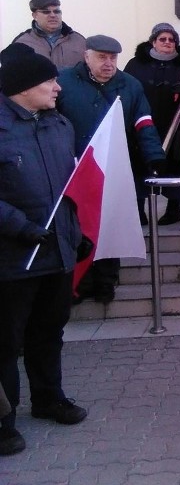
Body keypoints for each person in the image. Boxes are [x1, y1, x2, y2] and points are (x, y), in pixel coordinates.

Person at [0, 43, 87, 457]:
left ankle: (48, 398)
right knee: (4, 341)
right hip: (13, 257)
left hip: (56, 252)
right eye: (49, 80)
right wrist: (20, 227)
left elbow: (69, 188)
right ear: (21, 88)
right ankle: (2, 420)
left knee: (49, 331)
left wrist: (76, 232)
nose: (57, 87)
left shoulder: (59, 124)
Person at [57, 35, 166, 304]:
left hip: (114, 166)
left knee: (109, 224)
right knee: (80, 224)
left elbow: (144, 122)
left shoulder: (129, 85)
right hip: (75, 168)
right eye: (102, 57)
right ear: (86, 56)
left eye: (113, 58)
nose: (108, 64)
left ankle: (106, 280)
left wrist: (154, 157)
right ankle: (81, 281)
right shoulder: (64, 82)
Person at [125, 23, 180, 225]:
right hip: (142, 125)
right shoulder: (135, 64)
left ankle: (173, 209)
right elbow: (126, 89)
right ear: (153, 42)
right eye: (163, 39)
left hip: (174, 125)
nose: (168, 43)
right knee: (140, 164)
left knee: (174, 165)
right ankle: (139, 209)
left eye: (172, 40)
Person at [11, 0, 86, 69]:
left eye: (57, 11)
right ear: (34, 16)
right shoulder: (22, 42)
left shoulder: (79, 40)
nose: (53, 15)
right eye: (46, 12)